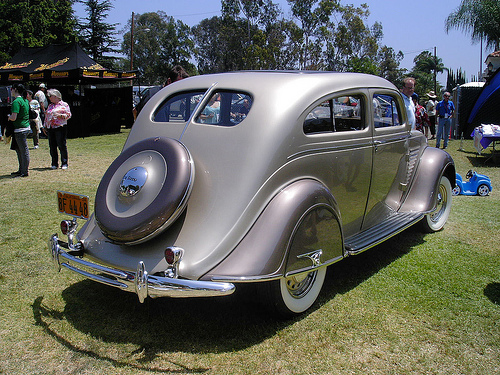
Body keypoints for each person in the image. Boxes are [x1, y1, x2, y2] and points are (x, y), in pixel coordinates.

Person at [44, 88, 71, 169]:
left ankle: (64, 163)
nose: (49, 98)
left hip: (60, 127)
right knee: (52, 146)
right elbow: (47, 116)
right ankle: (54, 163)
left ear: (56, 96)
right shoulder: (50, 105)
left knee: (61, 145)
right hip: (50, 128)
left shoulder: (64, 105)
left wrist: (61, 116)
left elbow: (69, 115)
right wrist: (45, 126)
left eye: (50, 96)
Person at [7, 83, 30, 177]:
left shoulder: (16, 102)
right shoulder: (25, 100)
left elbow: (14, 117)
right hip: (25, 127)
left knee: (23, 151)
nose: (11, 91)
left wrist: (8, 117)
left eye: (12, 89)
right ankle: (21, 169)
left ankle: (24, 172)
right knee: (19, 150)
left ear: (15, 89)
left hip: (20, 129)